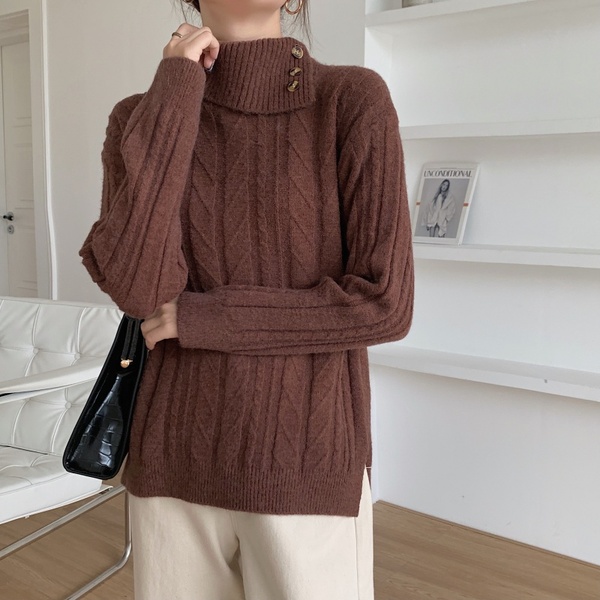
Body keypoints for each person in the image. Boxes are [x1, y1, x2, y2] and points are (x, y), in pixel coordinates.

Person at [79, 0, 414, 598]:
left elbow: (385, 303)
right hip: (172, 460)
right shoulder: (143, 115)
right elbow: (137, 287)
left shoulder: (351, 100)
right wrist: (176, 89)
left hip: (305, 465)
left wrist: (208, 317)